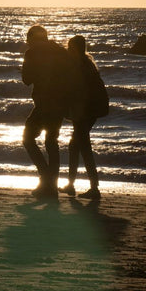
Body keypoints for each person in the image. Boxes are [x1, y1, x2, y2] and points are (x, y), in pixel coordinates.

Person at [22, 25, 76, 200]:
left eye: (28, 40)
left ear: (32, 38)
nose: (27, 43)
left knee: (28, 139)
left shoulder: (31, 53)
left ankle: (46, 179)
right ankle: (50, 185)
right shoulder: (60, 51)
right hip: (59, 104)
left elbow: (26, 80)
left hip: (43, 103)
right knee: (51, 143)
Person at [60, 35, 109, 200]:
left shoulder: (81, 65)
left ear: (77, 48)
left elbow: (80, 91)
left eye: (70, 47)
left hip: (85, 112)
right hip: (86, 111)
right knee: (74, 146)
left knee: (84, 147)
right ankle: (71, 185)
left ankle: (94, 188)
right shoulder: (85, 63)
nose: (68, 50)